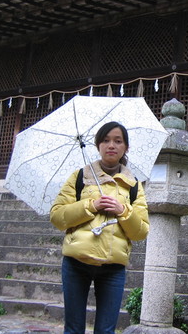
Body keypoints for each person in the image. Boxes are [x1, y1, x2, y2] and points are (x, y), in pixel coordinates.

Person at [50, 121, 150, 334]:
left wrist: (123, 210)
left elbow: (140, 231)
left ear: (126, 147)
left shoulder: (133, 185)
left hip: (113, 267)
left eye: (117, 141)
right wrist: (90, 205)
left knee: (106, 331)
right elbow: (57, 217)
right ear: (97, 145)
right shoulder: (79, 177)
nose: (111, 145)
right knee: (73, 329)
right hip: (76, 262)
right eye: (105, 140)